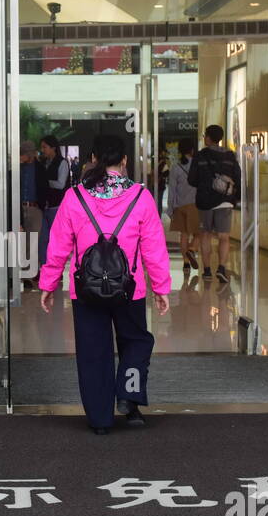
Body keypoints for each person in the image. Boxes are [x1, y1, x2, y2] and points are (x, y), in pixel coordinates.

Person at [39, 133, 171, 435]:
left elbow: (58, 245)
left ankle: (100, 420)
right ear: (124, 162)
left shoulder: (74, 196)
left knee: (93, 352)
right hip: (130, 287)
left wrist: (48, 283)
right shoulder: (140, 196)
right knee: (136, 342)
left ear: (93, 159)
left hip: (87, 289)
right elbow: (153, 247)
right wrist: (161, 287)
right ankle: (129, 396)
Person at [187, 124, 242, 284]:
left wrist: (205, 184)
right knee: (224, 237)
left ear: (209, 138)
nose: (204, 138)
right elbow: (237, 177)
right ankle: (222, 268)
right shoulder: (230, 155)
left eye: (205, 135)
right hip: (225, 201)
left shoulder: (200, 155)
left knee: (206, 235)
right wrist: (235, 197)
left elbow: (192, 179)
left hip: (206, 201)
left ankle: (207, 271)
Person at [166, 137, 201, 269]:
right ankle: (192, 249)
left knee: (184, 235)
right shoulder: (197, 166)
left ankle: (186, 262)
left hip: (179, 205)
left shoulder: (175, 167)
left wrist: (170, 208)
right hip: (195, 205)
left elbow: (172, 189)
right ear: (192, 150)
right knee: (199, 233)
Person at [38, 134, 70, 268]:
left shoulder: (62, 163)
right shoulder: (44, 163)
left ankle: (56, 266)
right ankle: (46, 266)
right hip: (44, 206)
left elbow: (61, 184)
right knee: (43, 239)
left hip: (56, 207)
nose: (43, 150)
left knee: (56, 239)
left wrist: (45, 182)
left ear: (53, 148)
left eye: (45, 147)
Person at [18, 140, 43, 286]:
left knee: (33, 242)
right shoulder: (16, 169)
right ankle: (19, 272)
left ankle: (29, 274)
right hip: (19, 208)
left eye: (26, 153)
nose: (24, 156)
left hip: (34, 208)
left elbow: (44, 186)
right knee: (19, 241)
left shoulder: (40, 168)